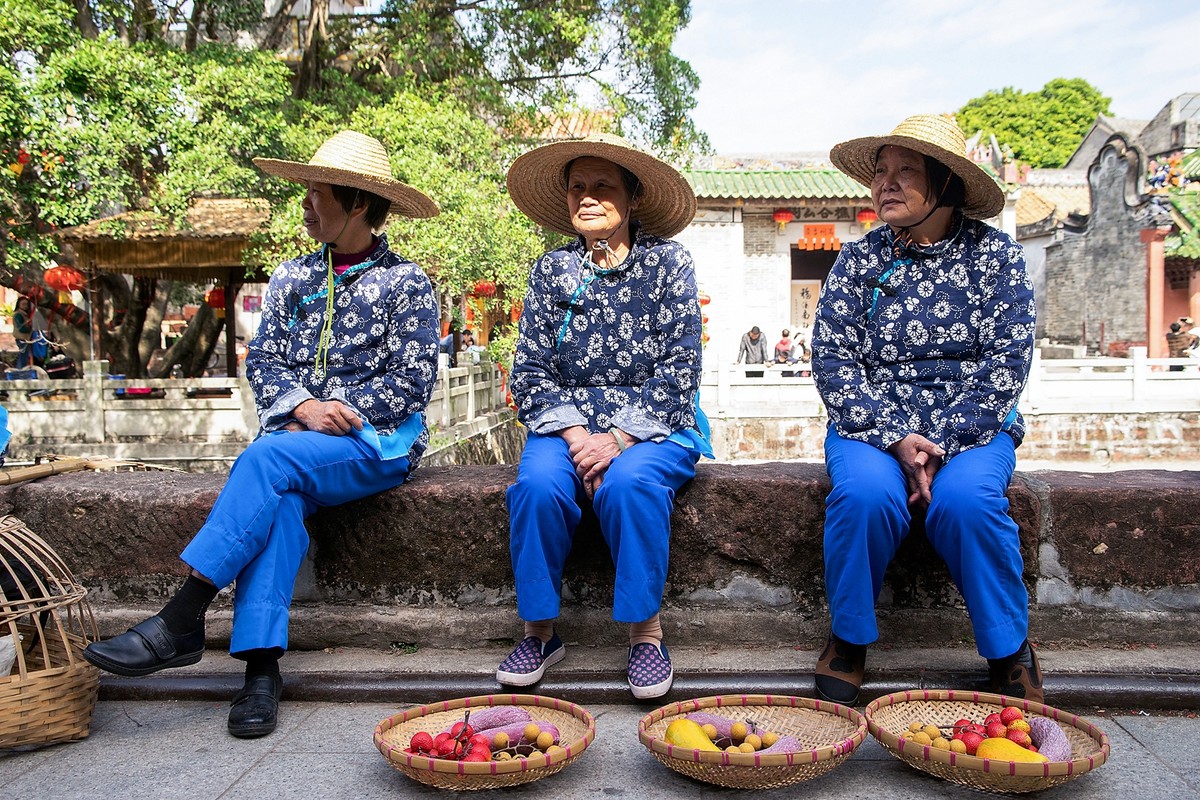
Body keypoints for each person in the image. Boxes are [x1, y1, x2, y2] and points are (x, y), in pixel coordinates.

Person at [83, 130, 441, 738]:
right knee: (280, 503)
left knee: (266, 462)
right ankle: (259, 672)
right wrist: (304, 406)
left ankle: (184, 614)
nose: (304, 204)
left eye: (316, 194)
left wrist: (340, 408)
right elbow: (266, 362)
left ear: (357, 203)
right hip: (300, 440)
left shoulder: (406, 283)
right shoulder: (292, 276)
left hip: (375, 443)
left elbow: (411, 382)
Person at [811, 114, 1040, 705]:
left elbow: (1007, 358)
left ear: (946, 183)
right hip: (870, 425)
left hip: (973, 424)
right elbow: (833, 357)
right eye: (880, 172)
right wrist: (894, 438)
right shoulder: (858, 262)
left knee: (967, 502)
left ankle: (1008, 646)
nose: (885, 184)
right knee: (862, 497)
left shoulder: (997, 257)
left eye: (904, 171)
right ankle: (850, 636)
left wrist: (941, 444)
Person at [499, 132, 712, 699]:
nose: (587, 198)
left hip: (652, 421)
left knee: (631, 484)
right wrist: (576, 436)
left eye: (602, 187)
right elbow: (530, 369)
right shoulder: (552, 271)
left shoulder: (669, 264)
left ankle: (646, 634)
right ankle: (539, 631)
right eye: (577, 188)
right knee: (538, 485)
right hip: (565, 421)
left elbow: (681, 365)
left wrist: (617, 437)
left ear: (632, 197)